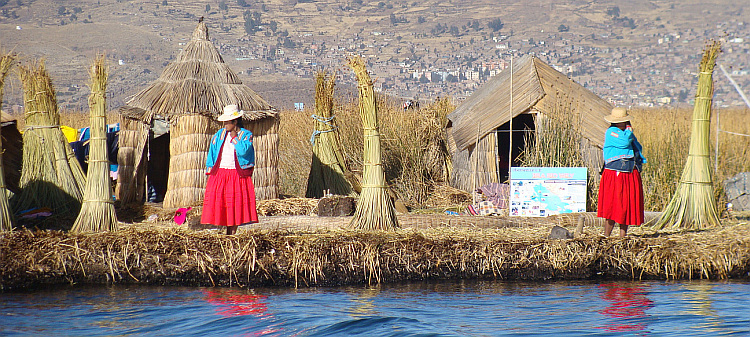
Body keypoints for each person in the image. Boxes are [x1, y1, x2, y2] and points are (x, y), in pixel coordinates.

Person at [201, 104, 258, 235]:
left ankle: (231, 234)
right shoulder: (219, 135)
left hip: (237, 174)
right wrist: (210, 171)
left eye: (227, 122)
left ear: (235, 121)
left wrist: (234, 138)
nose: (225, 124)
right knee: (222, 203)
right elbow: (212, 153)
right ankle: (224, 232)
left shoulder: (246, 135)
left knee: (235, 205)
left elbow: (243, 151)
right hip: (220, 173)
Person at [597, 107, 647, 237]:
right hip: (615, 172)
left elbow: (637, 147)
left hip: (629, 171)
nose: (624, 123)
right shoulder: (612, 132)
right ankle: (606, 235)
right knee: (613, 204)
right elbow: (624, 143)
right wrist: (629, 132)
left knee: (626, 203)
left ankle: (622, 236)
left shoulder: (626, 132)